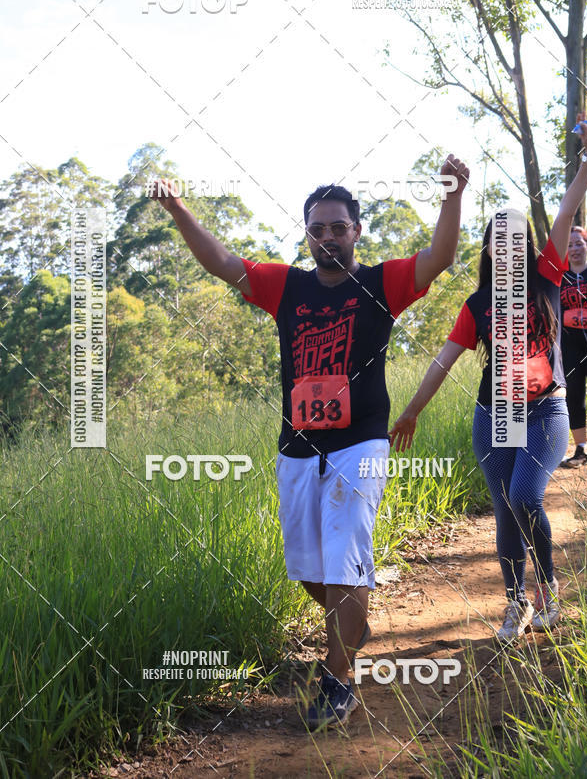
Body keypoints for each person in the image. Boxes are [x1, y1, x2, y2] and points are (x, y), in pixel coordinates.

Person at [151, 157, 469, 728]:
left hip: (359, 443)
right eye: (317, 229)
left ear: (357, 232)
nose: (327, 238)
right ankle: (352, 628)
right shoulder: (287, 287)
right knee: (307, 569)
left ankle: (339, 675)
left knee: (346, 557)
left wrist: (451, 193)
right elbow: (223, 263)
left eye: (338, 228)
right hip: (297, 446)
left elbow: (440, 257)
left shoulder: (379, 284)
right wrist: (178, 209)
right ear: (308, 235)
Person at [390, 116, 587, 642]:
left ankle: (548, 589)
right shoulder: (477, 305)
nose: (505, 247)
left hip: (547, 408)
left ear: (527, 246)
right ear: (487, 251)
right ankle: (516, 602)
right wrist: (412, 409)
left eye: (515, 239)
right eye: (495, 241)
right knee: (505, 505)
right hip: (496, 413)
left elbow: (568, 207)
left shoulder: (549, 274)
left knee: (526, 495)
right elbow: (443, 361)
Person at [559, 225, 587, 467]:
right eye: (570, 244)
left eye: (578, 243)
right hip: (570, 346)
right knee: (573, 396)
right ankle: (580, 451)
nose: (574, 249)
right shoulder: (560, 277)